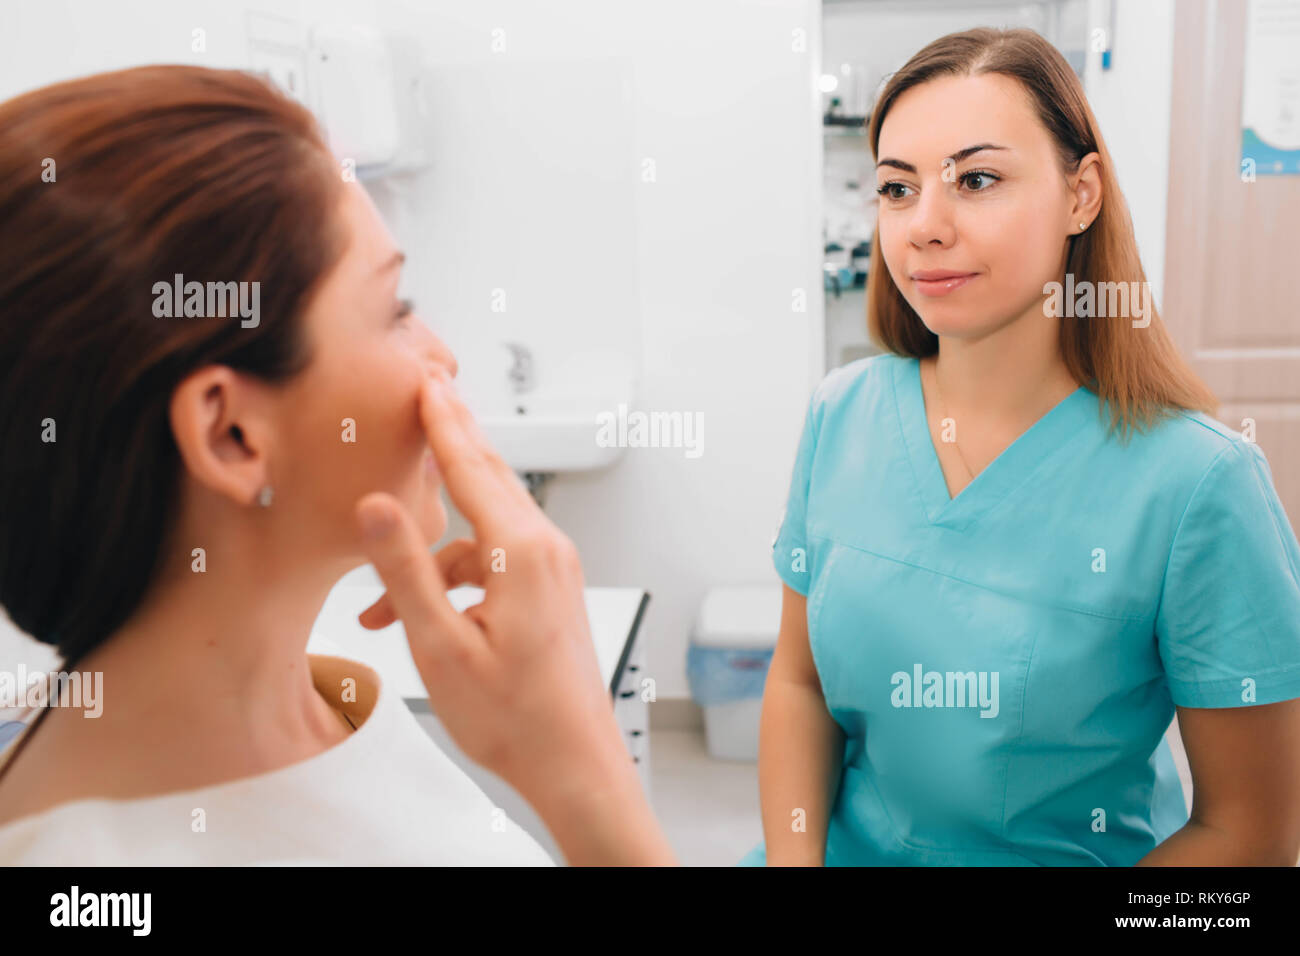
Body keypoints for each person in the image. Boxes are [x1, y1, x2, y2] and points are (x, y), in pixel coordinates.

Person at [0, 64, 674, 865]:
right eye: (396, 312)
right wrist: (585, 776)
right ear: (231, 437)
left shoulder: (336, 703)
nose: (444, 359)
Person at [741, 27, 1300, 866]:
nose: (924, 227)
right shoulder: (842, 413)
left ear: (1082, 196)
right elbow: (799, 685)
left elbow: (1251, 833)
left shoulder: (1198, 485)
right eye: (897, 189)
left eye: (977, 179)